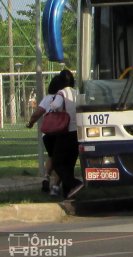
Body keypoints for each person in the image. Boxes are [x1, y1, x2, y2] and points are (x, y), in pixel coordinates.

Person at [48, 69, 83, 199]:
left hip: (65, 132)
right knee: (69, 164)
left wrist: (51, 105)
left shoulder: (61, 93)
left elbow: (55, 106)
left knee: (57, 162)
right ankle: (68, 193)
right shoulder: (77, 93)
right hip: (77, 133)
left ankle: (75, 183)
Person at [26, 75, 63, 196]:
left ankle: (46, 177)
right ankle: (56, 187)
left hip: (47, 134)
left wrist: (31, 123)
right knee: (59, 160)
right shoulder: (64, 97)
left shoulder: (47, 99)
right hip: (60, 133)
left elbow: (37, 113)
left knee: (51, 156)